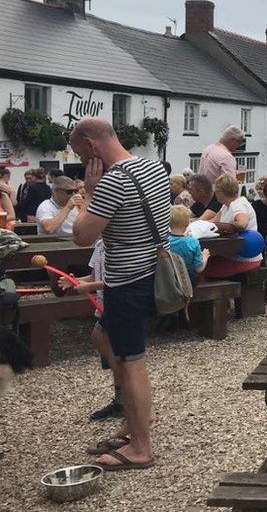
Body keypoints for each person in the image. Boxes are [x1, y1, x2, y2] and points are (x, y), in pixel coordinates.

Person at [70, 117, 170, 471]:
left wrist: (90, 192)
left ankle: (140, 447)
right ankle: (134, 422)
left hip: (127, 280)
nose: (80, 161)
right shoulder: (154, 166)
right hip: (148, 271)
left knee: (131, 362)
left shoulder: (111, 182)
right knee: (103, 334)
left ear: (92, 146)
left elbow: (81, 236)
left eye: (79, 152)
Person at [57, 239, 119, 422]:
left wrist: (89, 287)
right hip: (102, 306)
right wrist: (73, 281)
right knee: (111, 356)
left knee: (114, 353)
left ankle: (125, 400)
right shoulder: (100, 245)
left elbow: (117, 281)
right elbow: (94, 277)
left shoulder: (120, 246)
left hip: (117, 305)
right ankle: (120, 401)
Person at [201, 174, 262, 278]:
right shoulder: (226, 206)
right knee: (203, 263)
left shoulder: (238, 204)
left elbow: (242, 223)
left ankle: (213, 293)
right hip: (231, 255)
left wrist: (227, 227)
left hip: (243, 259)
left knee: (202, 269)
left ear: (221, 191)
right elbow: (212, 222)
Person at [167, 205, 209, 287]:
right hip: (188, 280)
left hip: (169, 279)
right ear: (187, 224)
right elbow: (199, 268)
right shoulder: (192, 242)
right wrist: (205, 256)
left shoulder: (165, 241)